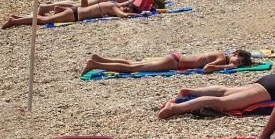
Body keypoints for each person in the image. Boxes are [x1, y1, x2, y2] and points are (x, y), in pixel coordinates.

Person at [1, 0, 141, 28]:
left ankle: (18, 18)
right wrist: (135, 16)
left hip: (76, 11)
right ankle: (14, 21)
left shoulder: (114, 4)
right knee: (43, 20)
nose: (127, 11)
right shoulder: (114, 7)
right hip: (75, 15)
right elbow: (123, 15)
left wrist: (138, 0)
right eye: (129, 10)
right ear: (127, 8)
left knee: (44, 19)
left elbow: (128, 2)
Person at [83, 49, 254, 76]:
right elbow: (208, 69)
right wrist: (228, 66)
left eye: (238, 63)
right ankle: (95, 65)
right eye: (237, 60)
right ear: (234, 54)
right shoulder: (222, 57)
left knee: (134, 63)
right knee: (133, 68)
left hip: (175, 58)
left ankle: (100, 59)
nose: (235, 63)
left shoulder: (220, 54)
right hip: (175, 63)